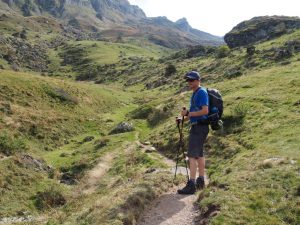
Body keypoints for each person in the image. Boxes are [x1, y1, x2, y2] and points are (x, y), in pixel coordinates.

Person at [177, 71, 209, 195]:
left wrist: (188, 114)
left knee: (192, 156)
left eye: (191, 80)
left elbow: (205, 111)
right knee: (199, 155)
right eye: (188, 80)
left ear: (197, 80)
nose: (189, 82)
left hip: (199, 128)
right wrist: (183, 118)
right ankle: (200, 181)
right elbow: (195, 112)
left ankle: (191, 185)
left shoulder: (201, 92)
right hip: (199, 126)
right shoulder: (195, 93)